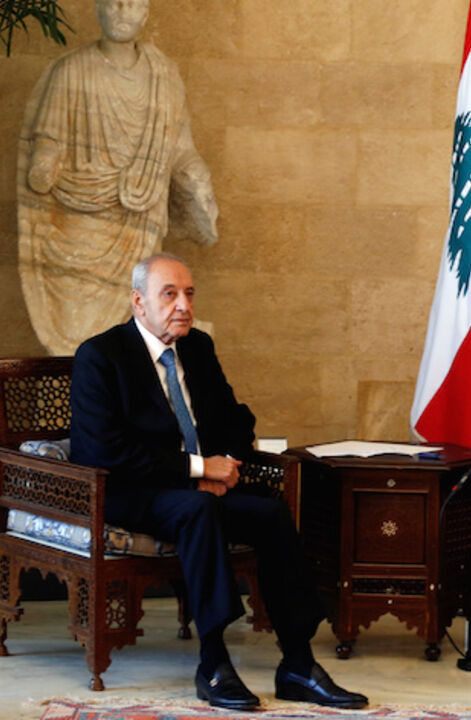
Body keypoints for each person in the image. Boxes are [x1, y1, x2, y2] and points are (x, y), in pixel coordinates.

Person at [69, 254, 365, 711]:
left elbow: (235, 421)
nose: (183, 305)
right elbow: (103, 451)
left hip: (199, 490)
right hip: (130, 493)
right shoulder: (101, 356)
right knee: (198, 509)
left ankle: (299, 664)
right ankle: (213, 661)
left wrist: (223, 465)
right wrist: (198, 469)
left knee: (269, 512)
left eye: (189, 294)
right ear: (138, 302)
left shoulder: (198, 348)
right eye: (170, 294)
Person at [18, 0, 218, 356]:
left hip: (140, 211)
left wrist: (197, 178)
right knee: (79, 320)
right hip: (79, 214)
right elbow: (47, 135)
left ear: (146, 11)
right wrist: (44, 162)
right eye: (114, 3)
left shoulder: (164, 75)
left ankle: (131, 392)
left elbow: (179, 145)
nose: (123, 11)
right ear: (98, 9)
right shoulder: (71, 70)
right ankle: (83, 386)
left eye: (133, 3)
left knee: (137, 318)